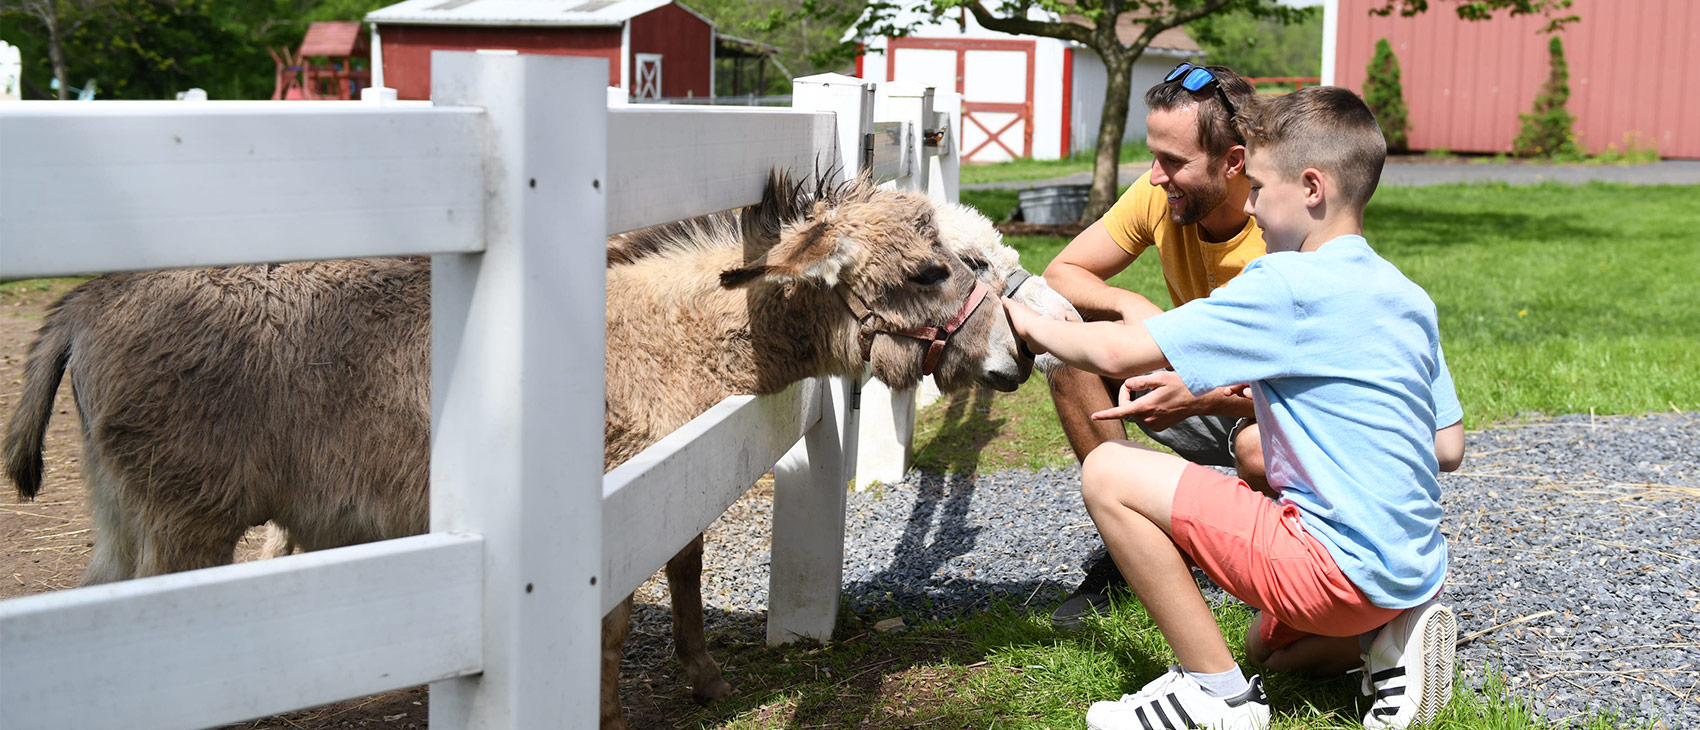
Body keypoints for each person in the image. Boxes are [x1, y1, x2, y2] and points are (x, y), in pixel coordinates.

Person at [1003, 85, 1466, 730]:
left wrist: (1023, 320)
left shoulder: (1283, 283)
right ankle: (1387, 637)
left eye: (1260, 188)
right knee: (1264, 652)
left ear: (1310, 188)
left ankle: (1216, 696)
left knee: (1109, 473)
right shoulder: (1409, 296)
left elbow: (1116, 353)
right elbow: (1448, 448)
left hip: (1332, 572)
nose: (1249, 203)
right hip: (1410, 568)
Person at [1043, 63, 1269, 629]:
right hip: (1194, 375)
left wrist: (1197, 396)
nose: (1154, 176)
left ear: (1233, 161)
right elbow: (1061, 273)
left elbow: (1302, 392)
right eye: (1153, 155)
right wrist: (1126, 303)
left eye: (1172, 161)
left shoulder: (1282, 229)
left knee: (1257, 453)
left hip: (1269, 402)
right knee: (1065, 350)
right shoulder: (1161, 196)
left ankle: (1278, 557)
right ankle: (1137, 543)